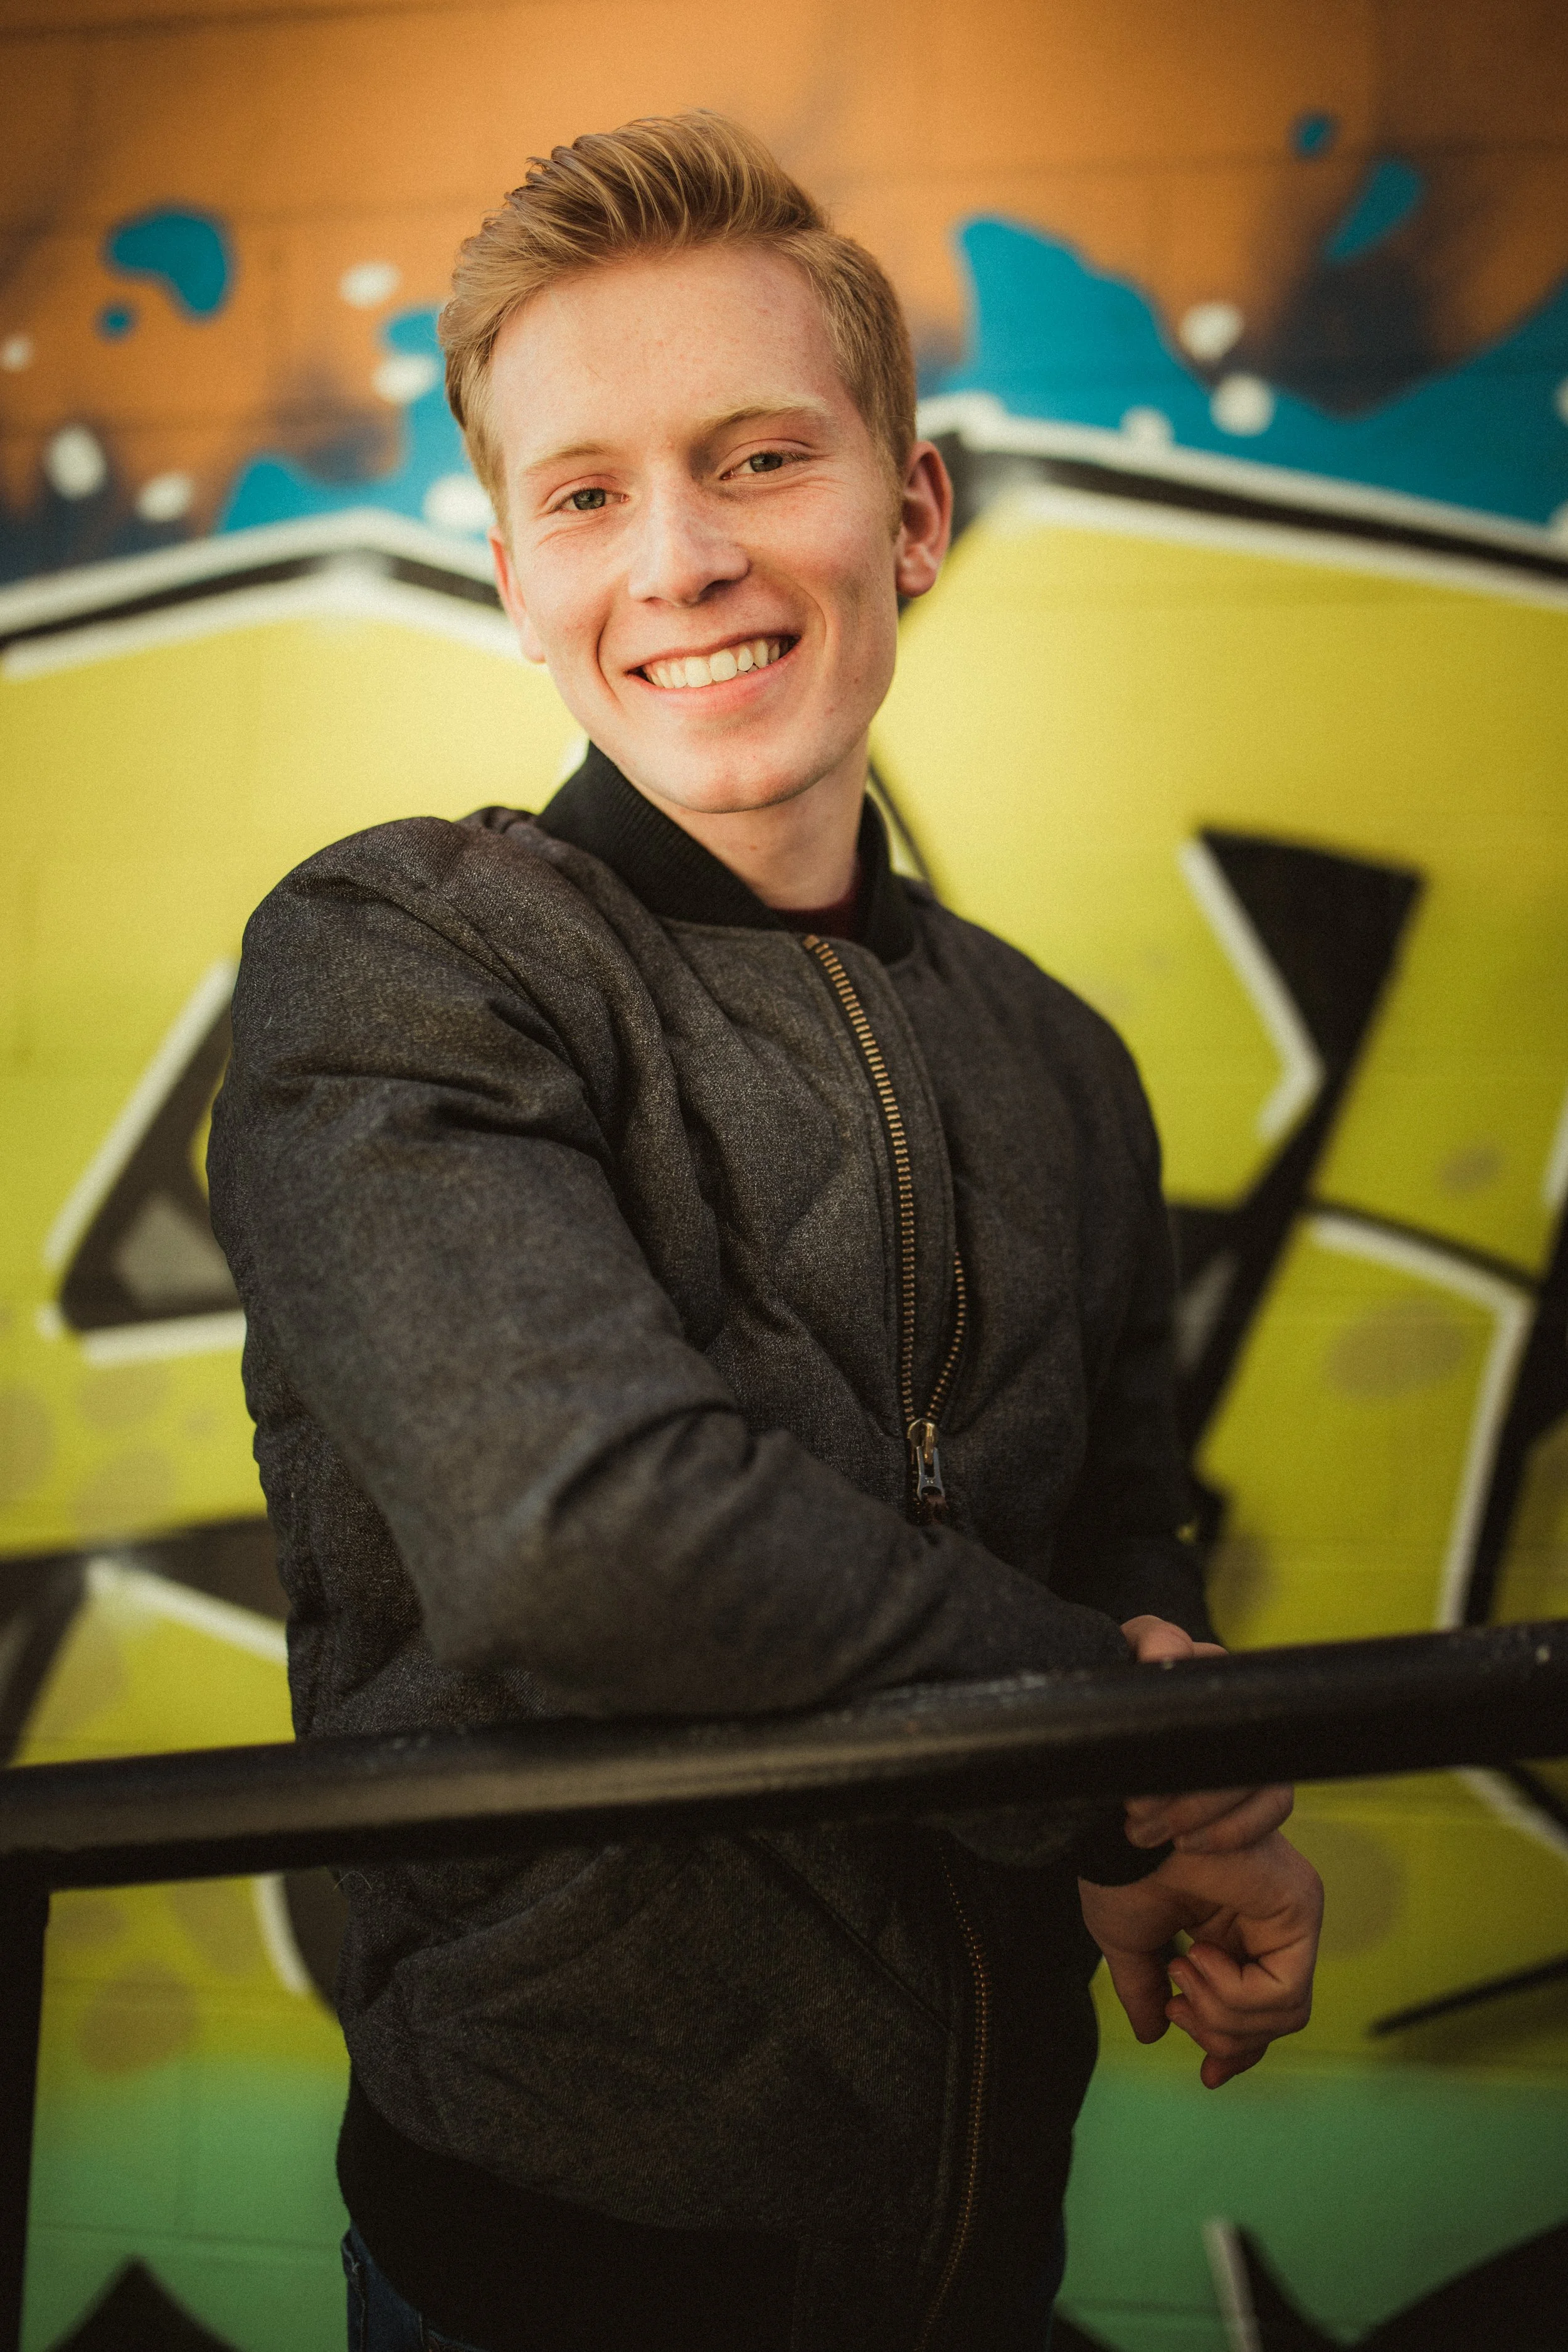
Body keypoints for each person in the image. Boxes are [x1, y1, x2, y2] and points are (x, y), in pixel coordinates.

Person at [208, 112, 1322, 2352]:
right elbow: (580, 1530)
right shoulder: (401, 956)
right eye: (588, 494)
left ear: (907, 513)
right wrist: (1115, 1744)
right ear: (514, 577)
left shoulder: (1060, 1055)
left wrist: (1150, 1833)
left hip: (976, 2247)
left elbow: (1116, 1522)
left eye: (757, 458)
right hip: (536, 2276)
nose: (683, 555)